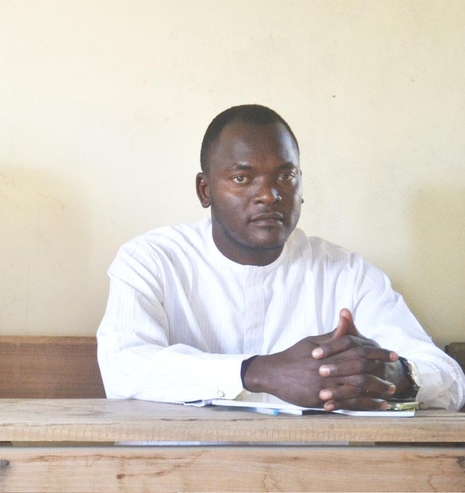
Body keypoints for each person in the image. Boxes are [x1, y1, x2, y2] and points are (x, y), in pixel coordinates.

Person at [97, 104, 465, 411]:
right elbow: (124, 367)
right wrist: (257, 372)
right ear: (205, 190)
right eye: (243, 179)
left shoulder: (346, 273)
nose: (270, 195)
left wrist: (393, 376)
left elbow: (448, 380)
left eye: (285, 176)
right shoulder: (151, 260)